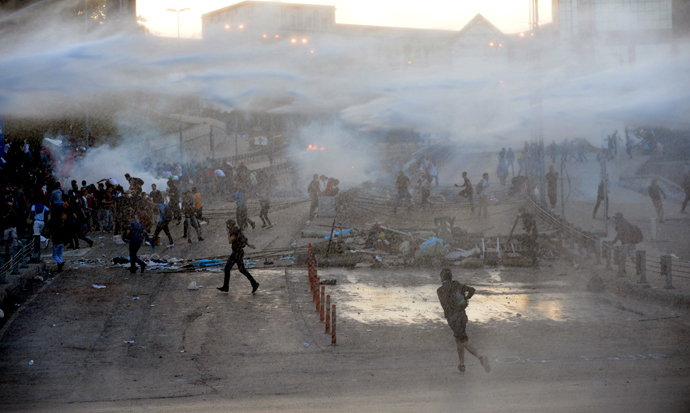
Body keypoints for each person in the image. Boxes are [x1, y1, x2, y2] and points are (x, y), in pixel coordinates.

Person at [436, 268, 491, 374]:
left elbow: (446, 305)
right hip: (462, 316)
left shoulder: (440, 290)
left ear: (442, 278)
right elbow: (472, 290)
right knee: (458, 339)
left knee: (463, 341)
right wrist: (466, 299)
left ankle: (481, 358)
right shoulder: (457, 284)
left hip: (453, 319)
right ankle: (462, 365)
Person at [218, 218, 260, 294]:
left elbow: (230, 241)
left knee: (229, 268)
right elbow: (244, 239)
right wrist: (249, 245)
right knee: (239, 269)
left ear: (229, 225)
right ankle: (254, 283)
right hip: (238, 252)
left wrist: (228, 233)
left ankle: (226, 286)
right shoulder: (238, 230)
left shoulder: (233, 232)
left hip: (236, 253)